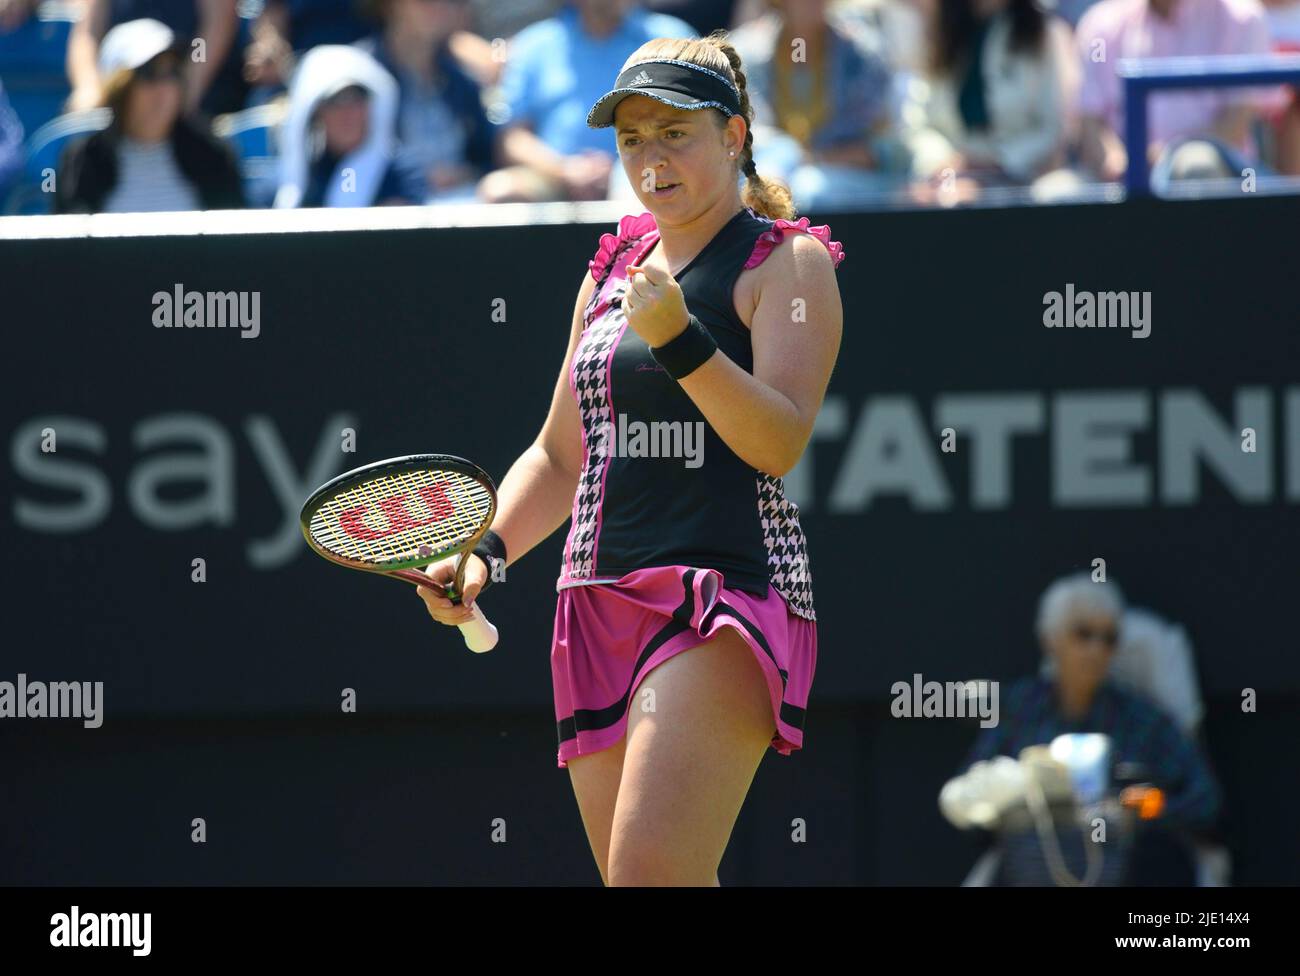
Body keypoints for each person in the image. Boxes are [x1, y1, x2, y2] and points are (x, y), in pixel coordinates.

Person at [418, 30, 845, 886]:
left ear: (734, 136)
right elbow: (559, 453)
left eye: (674, 132)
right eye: (630, 138)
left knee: (651, 878)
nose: (650, 158)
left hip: (721, 594)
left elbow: (779, 439)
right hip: (593, 600)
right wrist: (485, 553)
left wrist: (680, 339)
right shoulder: (613, 267)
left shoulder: (788, 265)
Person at [955, 573, 1221, 884]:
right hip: (1034, 866)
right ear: (1050, 639)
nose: (1096, 649)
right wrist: (1014, 797)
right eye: (1083, 634)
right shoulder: (1019, 710)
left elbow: (1204, 802)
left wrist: (1141, 809)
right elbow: (966, 797)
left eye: (1109, 638)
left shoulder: (1143, 721)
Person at [480, 0, 695, 203]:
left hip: (648, 170)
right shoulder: (535, 45)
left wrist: (628, 166)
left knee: (636, 189)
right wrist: (565, 170)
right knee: (502, 191)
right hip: (555, 177)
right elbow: (511, 139)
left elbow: (695, 124)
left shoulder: (672, 38)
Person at [724, 0, 907, 210]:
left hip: (848, 185)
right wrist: (787, 156)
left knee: (811, 188)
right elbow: (740, 138)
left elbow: (886, 148)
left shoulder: (864, 54)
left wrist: (813, 160)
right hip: (770, 167)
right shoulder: (745, 53)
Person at [1076, 0, 1275, 185]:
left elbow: (1235, 122)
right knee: (1056, 193)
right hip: (1119, 181)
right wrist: (1116, 160)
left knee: (1196, 165)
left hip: (1229, 179)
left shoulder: (1243, 18)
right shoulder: (1100, 25)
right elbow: (1091, 119)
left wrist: (1163, 158)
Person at [56, 18, 245, 213]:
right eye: (150, 74)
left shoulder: (214, 156)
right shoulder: (82, 163)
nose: (165, 88)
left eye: (173, 73)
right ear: (120, 87)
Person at [907, 0, 1077, 189]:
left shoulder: (1042, 32)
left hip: (1020, 181)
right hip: (949, 176)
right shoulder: (942, 30)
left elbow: (1052, 129)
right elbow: (922, 123)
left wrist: (996, 163)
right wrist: (941, 165)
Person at [355, 0, 500, 203]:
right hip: (390, 208)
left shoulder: (462, 81)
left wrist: (466, 174)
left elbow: (487, 156)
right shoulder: (357, 74)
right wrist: (413, 179)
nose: (440, 6)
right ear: (391, 5)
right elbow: (347, 167)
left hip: (464, 204)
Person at [274, 44, 423, 207]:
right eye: (335, 102)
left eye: (356, 100)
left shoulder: (400, 175)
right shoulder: (295, 176)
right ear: (317, 112)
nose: (348, 113)